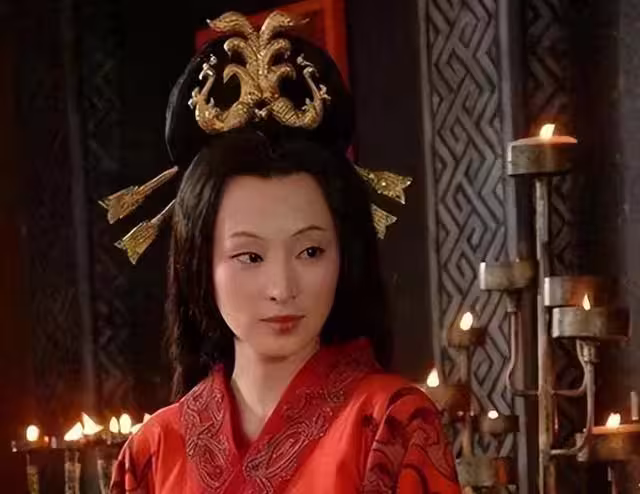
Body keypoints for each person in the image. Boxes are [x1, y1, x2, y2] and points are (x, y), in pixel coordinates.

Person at [109, 10, 460, 494]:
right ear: (199, 265)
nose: (282, 288)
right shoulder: (152, 451)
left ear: (345, 255)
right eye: (250, 257)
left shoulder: (393, 425)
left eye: (310, 251)